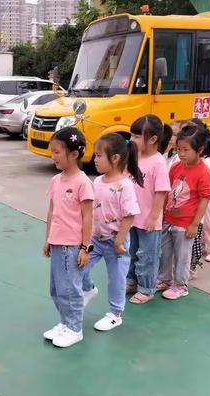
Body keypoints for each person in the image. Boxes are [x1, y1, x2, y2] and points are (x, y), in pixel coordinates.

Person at [82, 133, 142, 332]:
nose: (95, 159)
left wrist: (119, 241)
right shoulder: (98, 181)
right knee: (79, 267)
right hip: (96, 239)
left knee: (117, 279)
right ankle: (88, 289)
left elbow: (130, 215)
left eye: (99, 155)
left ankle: (115, 314)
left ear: (115, 158)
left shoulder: (125, 186)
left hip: (116, 242)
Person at [42, 127, 94, 348]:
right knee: (55, 288)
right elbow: (52, 212)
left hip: (72, 246)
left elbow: (88, 217)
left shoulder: (82, 182)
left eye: (57, 152)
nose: (53, 156)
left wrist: (85, 247)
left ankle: (75, 328)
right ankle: (65, 322)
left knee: (70, 289)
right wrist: (48, 239)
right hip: (57, 243)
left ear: (73, 155)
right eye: (52, 151)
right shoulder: (56, 181)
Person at [157, 124, 210, 299]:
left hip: (186, 224)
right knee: (164, 252)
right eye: (179, 149)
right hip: (169, 219)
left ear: (200, 149)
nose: (181, 153)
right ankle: (164, 279)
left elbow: (204, 200)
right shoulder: (176, 167)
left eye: (186, 150)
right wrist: (162, 214)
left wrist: (194, 225)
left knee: (182, 256)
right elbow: (167, 191)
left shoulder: (204, 172)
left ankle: (181, 285)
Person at [127, 115, 170, 304]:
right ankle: (131, 281)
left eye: (137, 136)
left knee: (148, 256)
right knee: (130, 251)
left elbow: (161, 192)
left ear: (152, 139)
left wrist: (154, 217)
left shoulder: (158, 162)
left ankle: (146, 288)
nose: (132, 140)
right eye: (132, 136)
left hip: (149, 220)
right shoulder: (133, 157)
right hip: (132, 217)